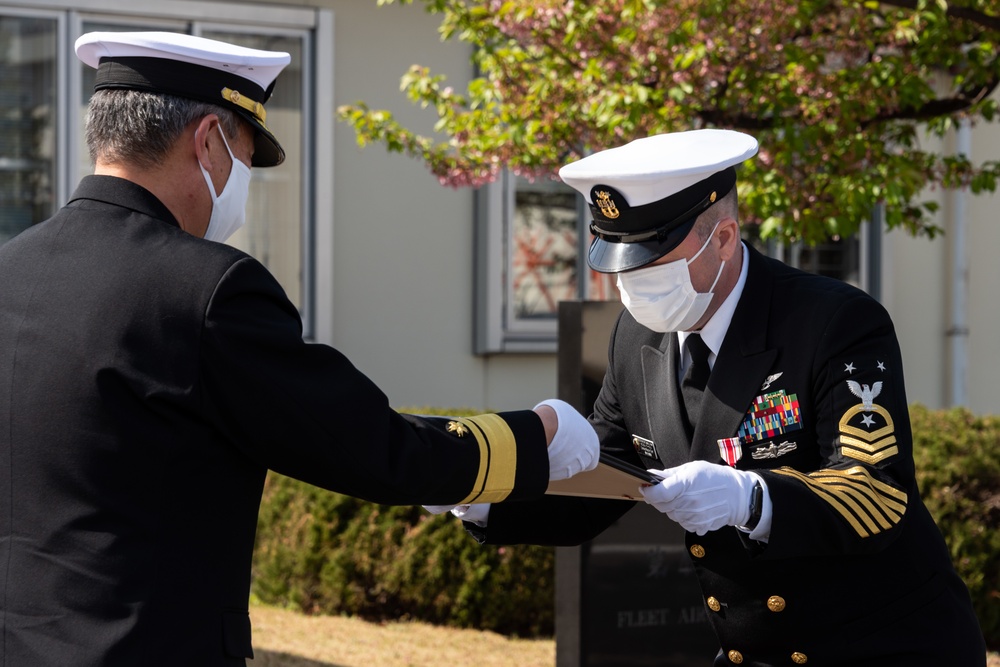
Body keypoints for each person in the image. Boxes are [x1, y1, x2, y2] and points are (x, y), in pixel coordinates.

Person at [0, 31, 599, 666]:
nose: (242, 184)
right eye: (244, 157)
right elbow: (367, 447)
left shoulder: (12, 268)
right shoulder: (205, 289)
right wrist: (533, 438)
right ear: (207, 140)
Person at [438, 129, 987, 666]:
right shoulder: (637, 337)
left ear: (723, 238)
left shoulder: (833, 321)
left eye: (654, 261)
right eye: (621, 264)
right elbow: (600, 479)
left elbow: (876, 493)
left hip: (885, 647)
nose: (632, 284)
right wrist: (477, 487)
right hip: (756, 651)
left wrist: (753, 499)